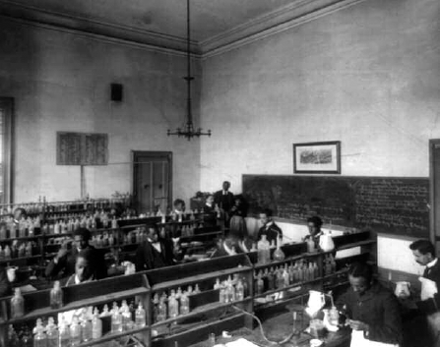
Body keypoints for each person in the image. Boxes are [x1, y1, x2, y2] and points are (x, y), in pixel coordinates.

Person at [336, 262, 402, 347]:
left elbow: (394, 334)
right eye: (352, 285)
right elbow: (341, 302)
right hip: (359, 339)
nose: (355, 290)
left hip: (382, 342)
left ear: (371, 281)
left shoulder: (387, 298)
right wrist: (341, 313)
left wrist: (366, 328)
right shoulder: (353, 290)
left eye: (360, 286)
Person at [409, 239, 440, 346]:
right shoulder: (428, 268)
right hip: (431, 314)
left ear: (428, 255)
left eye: (418, 256)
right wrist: (414, 293)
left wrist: (416, 305)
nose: (415, 259)